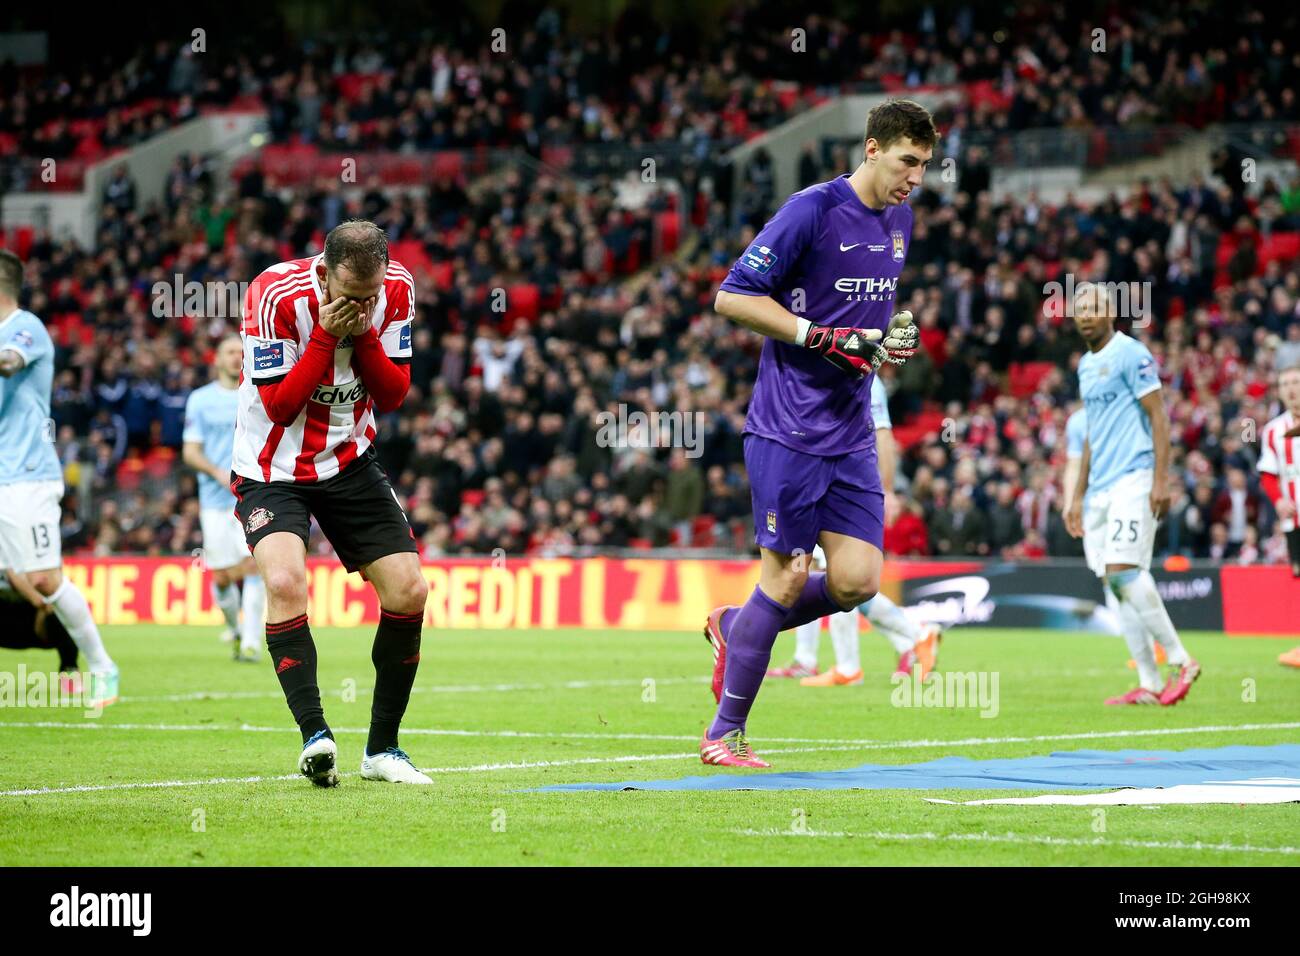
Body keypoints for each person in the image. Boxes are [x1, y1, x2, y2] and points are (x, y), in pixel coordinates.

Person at [701, 99, 936, 767]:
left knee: (858, 581)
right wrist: (816, 334)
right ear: (871, 148)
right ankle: (724, 735)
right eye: (906, 161)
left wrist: (889, 341)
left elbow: (867, 315)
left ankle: (735, 627)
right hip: (790, 427)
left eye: (923, 165)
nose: (914, 177)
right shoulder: (812, 209)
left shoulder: (902, 219)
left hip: (852, 428)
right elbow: (732, 295)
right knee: (784, 578)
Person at [233, 220, 429, 786]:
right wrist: (324, 333)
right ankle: (315, 736)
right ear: (323, 272)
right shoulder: (273, 293)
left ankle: (383, 750)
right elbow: (280, 407)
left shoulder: (395, 289)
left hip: (348, 459)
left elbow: (392, 395)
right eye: (350, 297)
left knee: (410, 589)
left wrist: (363, 332)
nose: (362, 305)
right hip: (272, 467)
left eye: (369, 297)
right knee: (286, 583)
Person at [1065, 284, 1198, 705]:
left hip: (1134, 476)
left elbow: (1159, 418)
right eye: (1079, 309)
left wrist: (1161, 479)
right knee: (1116, 583)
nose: (1085, 315)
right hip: (1100, 487)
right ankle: (1149, 682)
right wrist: (1076, 494)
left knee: (1123, 570)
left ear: (1111, 313)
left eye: (1094, 308)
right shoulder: (1086, 366)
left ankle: (1181, 659)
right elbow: (1090, 436)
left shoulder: (1132, 353)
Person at [766, 375, 941, 685]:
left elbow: (884, 434)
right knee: (819, 571)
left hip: (851, 491)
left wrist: (887, 491)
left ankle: (907, 638)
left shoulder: (864, 381)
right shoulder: (826, 375)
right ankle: (821, 659)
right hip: (826, 486)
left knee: (840, 577)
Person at [0, 249, 118, 707]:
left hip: (25, 476)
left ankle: (103, 667)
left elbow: (9, 363)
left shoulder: (25, 328)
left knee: (46, 579)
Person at [183, 334, 267, 661]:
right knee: (221, 575)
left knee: (251, 566)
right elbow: (190, 452)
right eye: (229, 352)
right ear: (217, 360)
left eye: (240, 352)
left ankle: (250, 641)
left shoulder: (257, 393)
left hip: (251, 494)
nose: (236, 357)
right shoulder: (200, 400)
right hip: (214, 500)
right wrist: (218, 473)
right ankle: (234, 627)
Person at [1256, 362, 1300, 669]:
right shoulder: (1273, 431)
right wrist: (1279, 500)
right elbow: (1268, 475)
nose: (1291, 389)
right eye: (1285, 384)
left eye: (1296, 382)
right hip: (1293, 519)